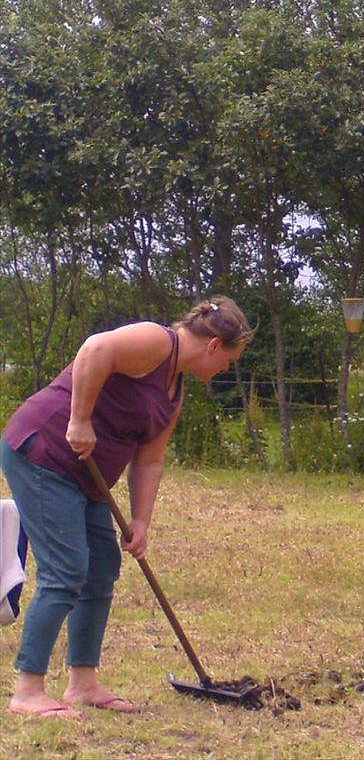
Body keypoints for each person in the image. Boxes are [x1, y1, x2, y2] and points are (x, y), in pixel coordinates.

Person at [1, 297, 252, 718]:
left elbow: (149, 460)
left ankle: (83, 684)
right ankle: (27, 691)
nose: (226, 368)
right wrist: (80, 419)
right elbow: (95, 349)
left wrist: (141, 520)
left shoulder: (175, 391)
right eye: (229, 359)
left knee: (101, 567)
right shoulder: (157, 341)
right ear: (213, 346)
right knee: (66, 569)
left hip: (86, 477)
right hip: (43, 453)